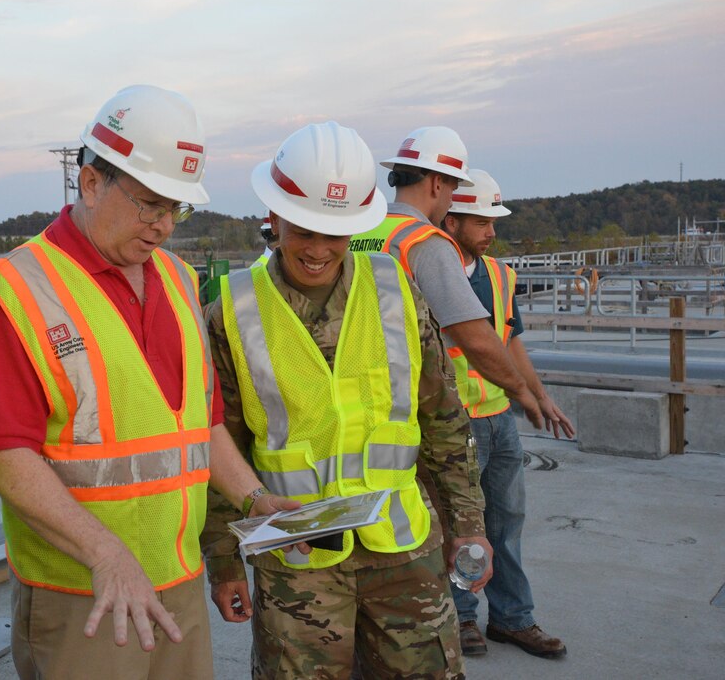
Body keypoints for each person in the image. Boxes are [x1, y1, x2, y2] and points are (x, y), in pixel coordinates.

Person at [0, 84, 300, 680]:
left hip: (178, 583)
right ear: (91, 183)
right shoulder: (17, 292)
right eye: (150, 204)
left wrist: (254, 499)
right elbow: (3, 458)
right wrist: (105, 553)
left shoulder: (178, 280)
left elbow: (202, 424)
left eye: (176, 209)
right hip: (83, 597)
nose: (164, 226)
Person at [201, 121, 492, 679]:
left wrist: (469, 523)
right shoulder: (232, 311)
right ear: (274, 216)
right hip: (297, 559)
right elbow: (220, 446)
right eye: (302, 229)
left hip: (403, 549)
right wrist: (223, 561)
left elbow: (443, 418)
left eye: (333, 233)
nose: (316, 249)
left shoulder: (395, 289)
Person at [440, 170, 573, 660]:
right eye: (480, 221)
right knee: (460, 524)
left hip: (498, 419)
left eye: (493, 220)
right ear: (450, 219)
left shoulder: (498, 274)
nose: (491, 231)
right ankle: (461, 617)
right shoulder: (430, 269)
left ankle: (513, 619)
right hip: (453, 423)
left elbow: (509, 341)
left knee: (507, 522)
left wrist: (537, 396)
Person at [348, 126, 547, 431]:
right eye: (454, 188)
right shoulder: (426, 242)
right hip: (414, 405)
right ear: (438, 183)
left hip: (365, 397)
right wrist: (521, 390)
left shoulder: (360, 233)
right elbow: (475, 338)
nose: (451, 197)